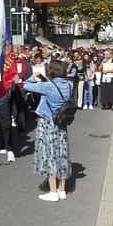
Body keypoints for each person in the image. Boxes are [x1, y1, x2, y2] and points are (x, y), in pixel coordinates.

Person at [23, 60, 72, 202]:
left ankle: (52, 191)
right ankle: (62, 189)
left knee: (49, 154)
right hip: (61, 123)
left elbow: (26, 85)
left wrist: (34, 76)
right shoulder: (69, 84)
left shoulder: (47, 86)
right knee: (62, 153)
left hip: (47, 123)